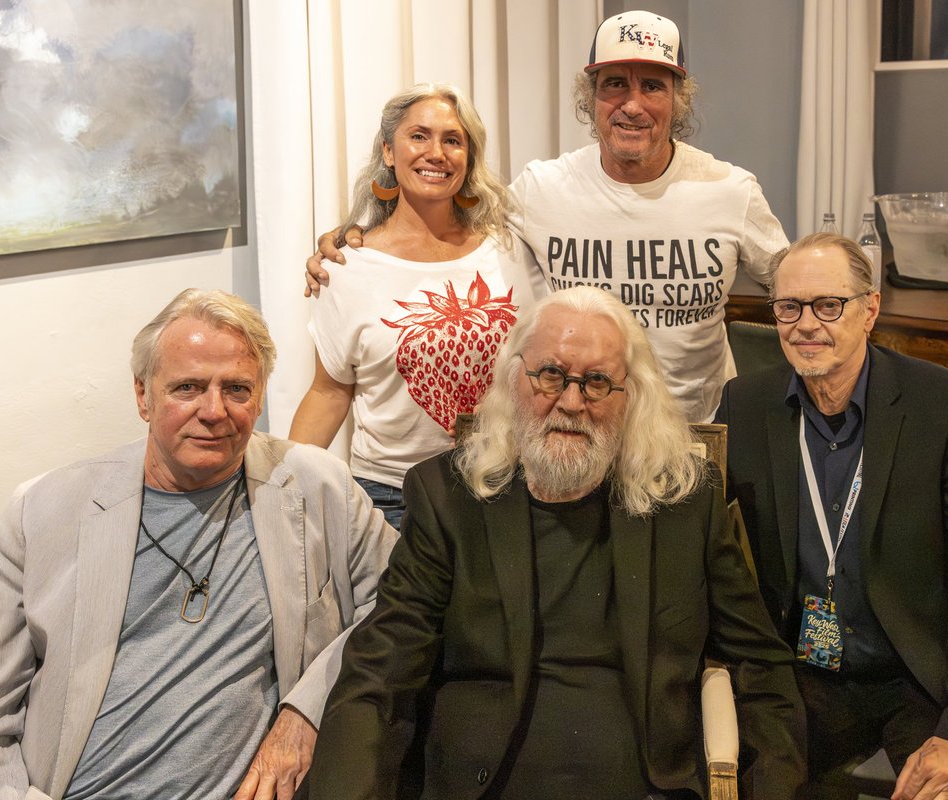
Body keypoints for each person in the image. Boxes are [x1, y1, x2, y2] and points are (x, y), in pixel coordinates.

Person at [305, 285, 807, 800]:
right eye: (550, 375)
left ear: (631, 396)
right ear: (514, 379)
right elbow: (378, 672)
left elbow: (761, 667)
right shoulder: (446, 498)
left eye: (596, 382)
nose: (571, 403)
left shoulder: (684, 504)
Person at [0, 289, 398, 800]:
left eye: (238, 389)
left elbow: (403, 609)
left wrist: (306, 711)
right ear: (142, 395)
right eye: (187, 387)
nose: (214, 410)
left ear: (262, 394)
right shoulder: (43, 513)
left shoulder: (318, 487)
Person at [306, 10, 788, 423]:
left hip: (694, 433)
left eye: (653, 86)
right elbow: (451, 228)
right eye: (614, 84)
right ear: (591, 97)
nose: (632, 105)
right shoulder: (542, 189)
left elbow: (797, 284)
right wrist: (360, 234)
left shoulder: (730, 191)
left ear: (678, 99)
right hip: (580, 431)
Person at [714, 233, 948, 799]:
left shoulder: (945, 406)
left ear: (870, 310)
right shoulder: (746, 404)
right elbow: (709, 545)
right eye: (789, 307)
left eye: (828, 305)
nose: (807, 324)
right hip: (801, 674)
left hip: (918, 670)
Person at [289, 84, 546, 530]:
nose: (437, 153)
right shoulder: (346, 266)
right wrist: (284, 486)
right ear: (389, 151)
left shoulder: (511, 250)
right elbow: (330, 392)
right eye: (419, 136)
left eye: (453, 140)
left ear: (468, 158)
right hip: (391, 497)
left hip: (502, 483)